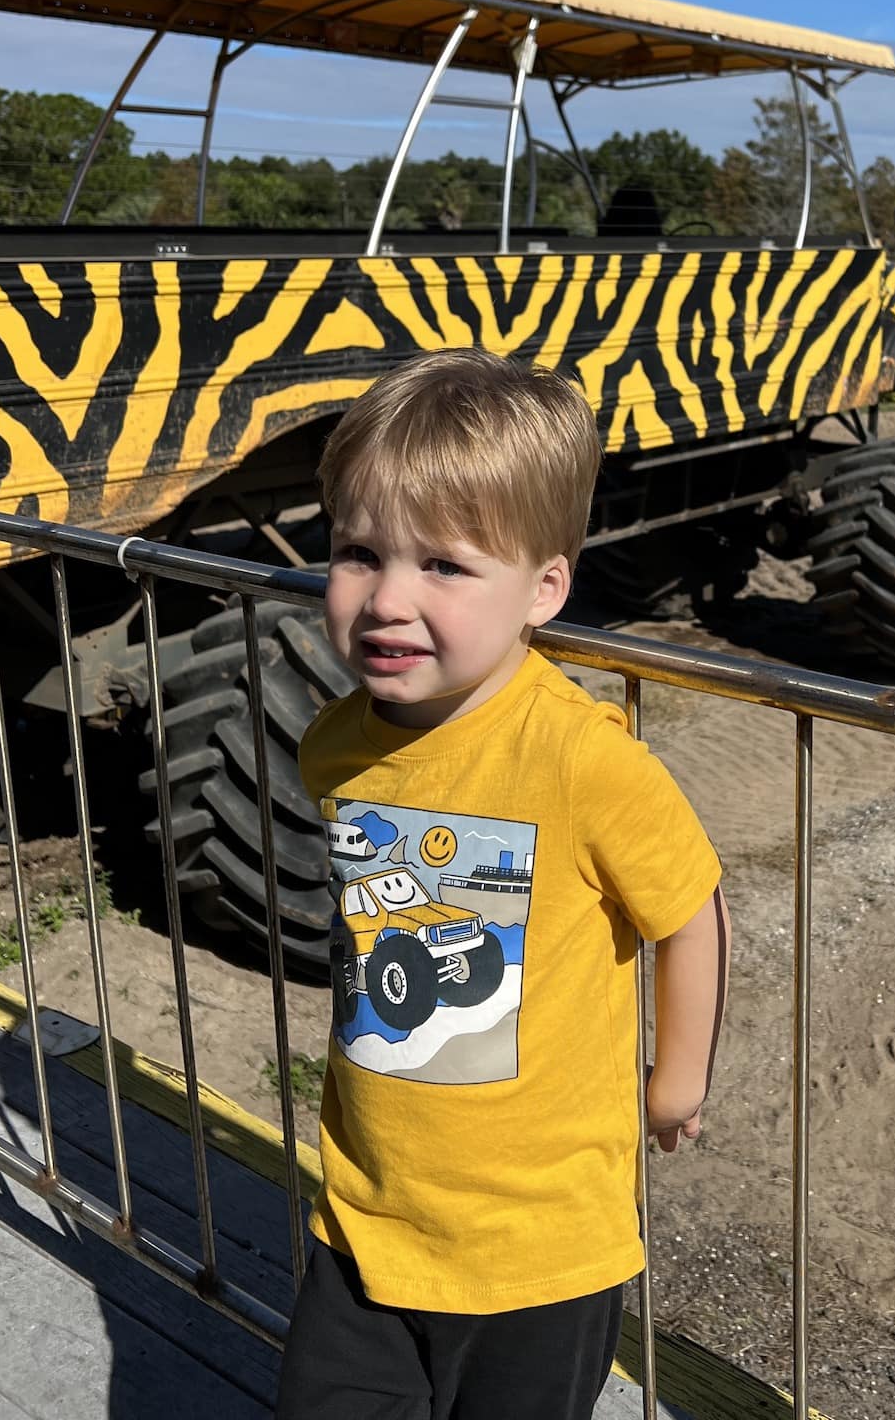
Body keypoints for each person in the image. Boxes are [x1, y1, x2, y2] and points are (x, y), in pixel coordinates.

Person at [276, 348, 730, 1420]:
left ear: (544, 588)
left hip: (540, 1245)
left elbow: (692, 908)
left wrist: (678, 1079)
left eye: (444, 565)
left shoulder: (583, 760)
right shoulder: (335, 743)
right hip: (369, 1212)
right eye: (357, 552)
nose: (387, 598)